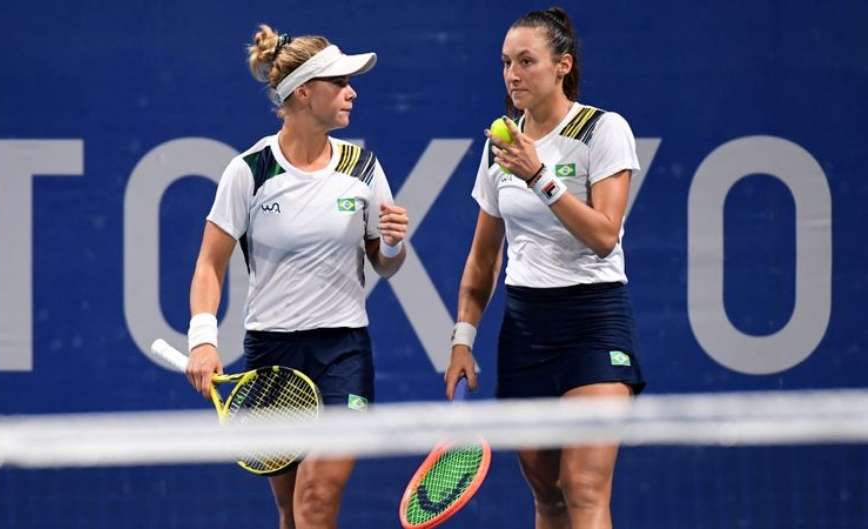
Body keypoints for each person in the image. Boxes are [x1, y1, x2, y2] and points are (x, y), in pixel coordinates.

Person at [185, 25, 408, 529]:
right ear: (304, 93)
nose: (352, 91)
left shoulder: (363, 168)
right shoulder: (250, 171)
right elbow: (208, 264)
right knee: (291, 512)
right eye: (340, 81)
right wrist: (203, 339)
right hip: (272, 355)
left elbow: (385, 263)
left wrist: (392, 242)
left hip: (342, 353)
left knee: (315, 500)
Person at [444, 7, 646, 529]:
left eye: (527, 61)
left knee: (582, 488)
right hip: (525, 328)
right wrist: (463, 338)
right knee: (548, 495)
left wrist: (540, 177)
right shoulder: (500, 145)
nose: (513, 74)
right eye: (506, 62)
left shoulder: (604, 130)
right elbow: (483, 257)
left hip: (593, 322)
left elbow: (604, 235)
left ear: (562, 66)